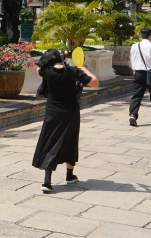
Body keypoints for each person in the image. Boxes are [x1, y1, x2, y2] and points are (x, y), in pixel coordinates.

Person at [32, 48, 99, 193]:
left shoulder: (46, 72)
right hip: (71, 112)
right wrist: (84, 70)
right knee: (70, 141)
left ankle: (47, 181)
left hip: (52, 112)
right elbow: (95, 83)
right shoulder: (73, 71)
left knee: (50, 142)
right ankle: (69, 175)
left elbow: (38, 68)